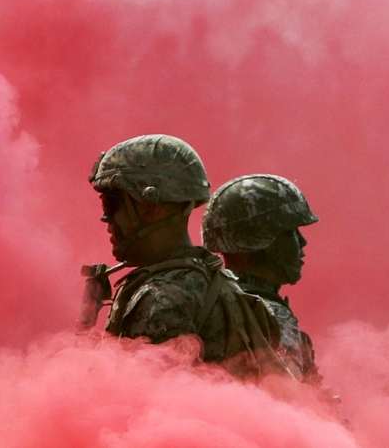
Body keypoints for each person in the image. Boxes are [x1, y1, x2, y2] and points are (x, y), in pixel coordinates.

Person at [83, 135, 290, 376]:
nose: (106, 220)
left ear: (149, 207)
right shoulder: (216, 281)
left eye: (111, 205)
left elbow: (141, 401)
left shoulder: (161, 297)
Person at [201, 174, 320, 382]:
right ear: (257, 241)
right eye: (288, 233)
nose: (302, 242)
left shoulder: (212, 299)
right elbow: (289, 402)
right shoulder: (267, 315)